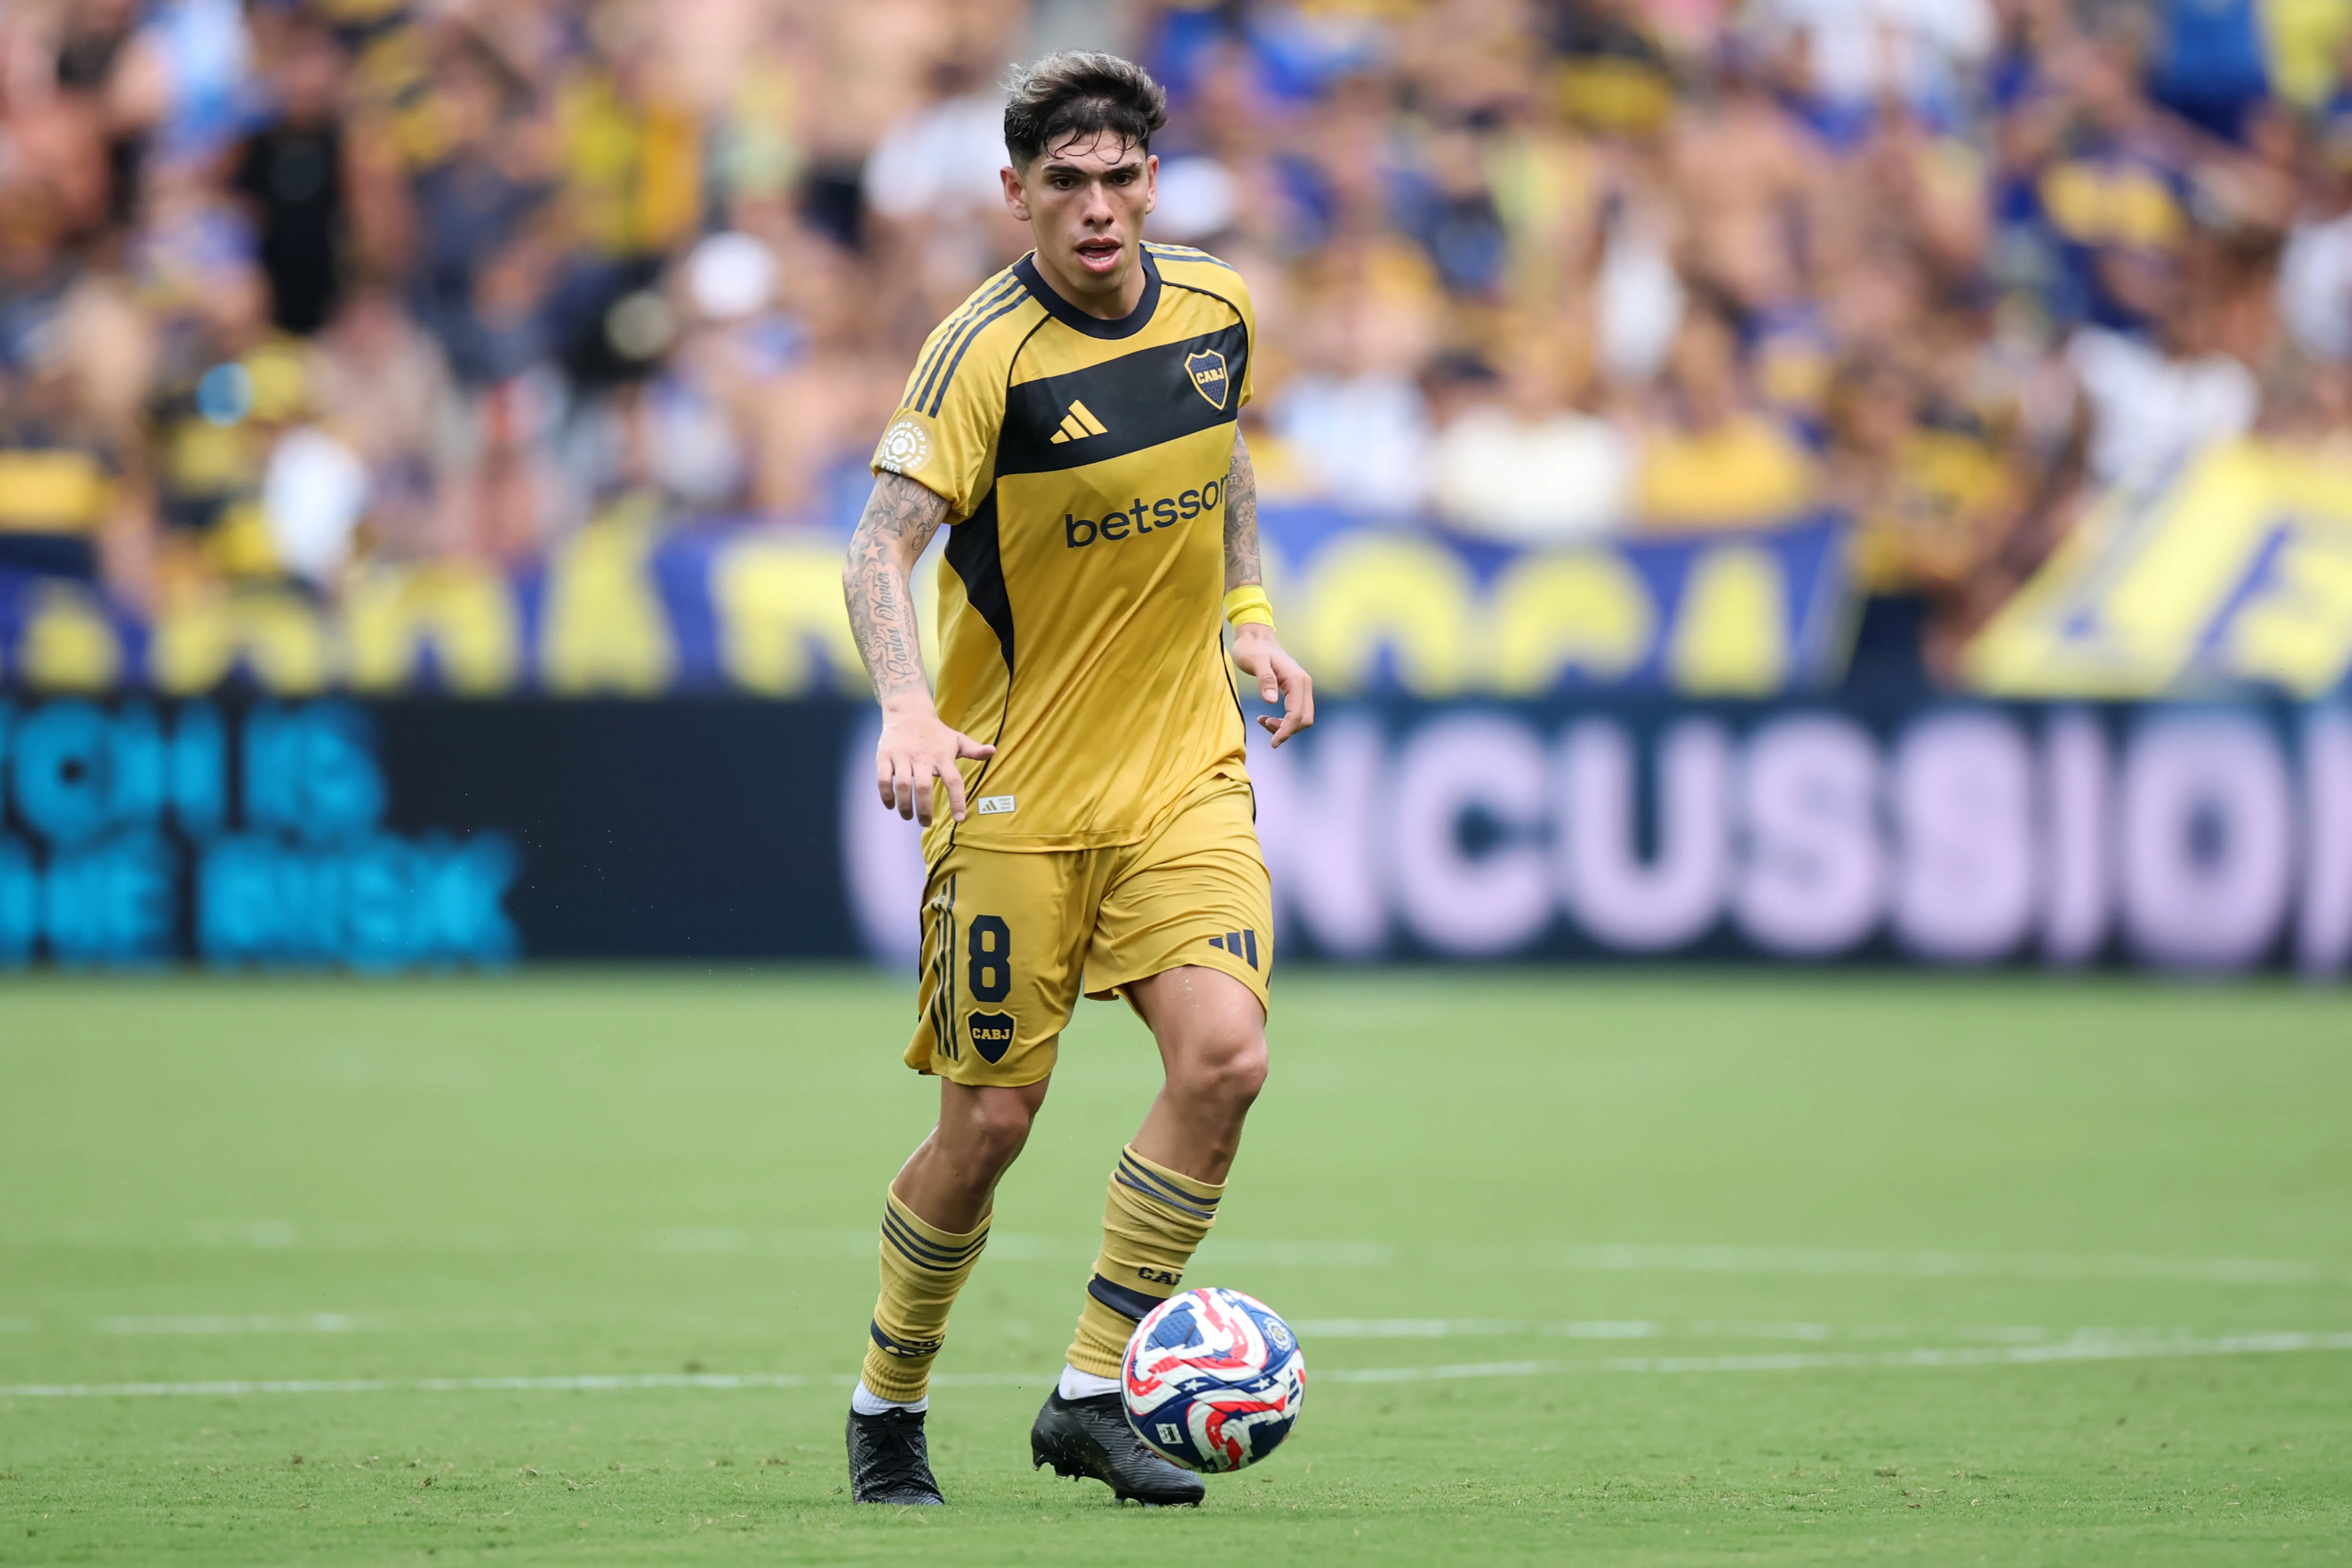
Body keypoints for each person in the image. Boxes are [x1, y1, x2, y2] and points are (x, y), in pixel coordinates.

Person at [836, 50, 1313, 1508]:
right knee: (986, 1131)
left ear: (1151, 184)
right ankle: (887, 1400)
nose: (1098, 208)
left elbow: (1224, 465)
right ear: (1016, 194)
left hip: (1181, 774)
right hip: (1015, 798)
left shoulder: (1219, 307)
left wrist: (1248, 618)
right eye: (1067, 184)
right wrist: (909, 710)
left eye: (1120, 180)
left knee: (1226, 1059)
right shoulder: (980, 357)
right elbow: (877, 551)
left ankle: (1093, 1392)